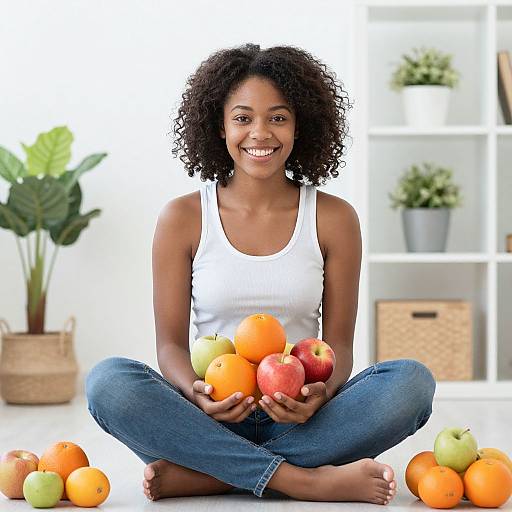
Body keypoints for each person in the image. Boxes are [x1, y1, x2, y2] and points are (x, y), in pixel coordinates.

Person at [85, 43, 436, 504]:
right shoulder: (183, 218)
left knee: (411, 382)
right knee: (109, 383)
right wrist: (196, 394)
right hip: (209, 413)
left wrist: (321, 391)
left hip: (304, 415)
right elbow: (169, 345)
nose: (260, 133)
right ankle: (299, 479)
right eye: (243, 117)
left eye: (278, 117)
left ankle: (213, 473)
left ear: (299, 125)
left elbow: (340, 345)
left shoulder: (333, 218)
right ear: (220, 126)